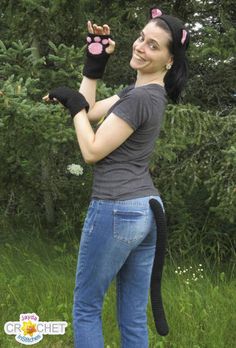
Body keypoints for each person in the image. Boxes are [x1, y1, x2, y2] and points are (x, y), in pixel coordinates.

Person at [43, 7, 190, 348]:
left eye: (154, 46)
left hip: (117, 209)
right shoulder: (139, 94)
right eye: (141, 38)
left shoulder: (139, 98)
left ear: (169, 61)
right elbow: (91, 111)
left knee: (86, 308)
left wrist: (70, 100)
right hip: (148, 212)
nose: (140, 47)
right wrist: (93, 66)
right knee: (133, 316)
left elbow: (92, 150)